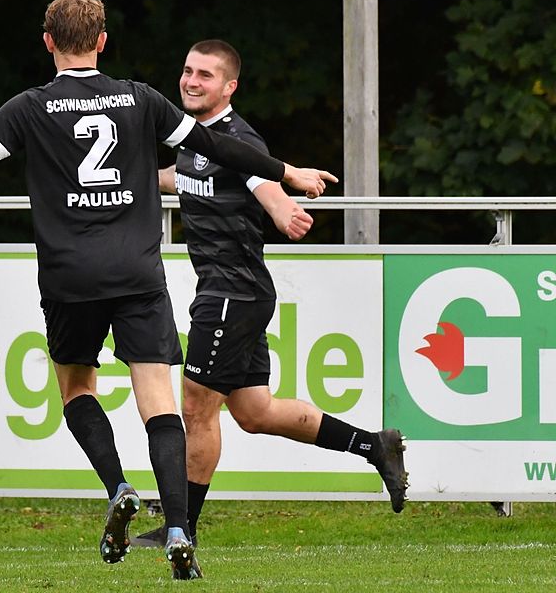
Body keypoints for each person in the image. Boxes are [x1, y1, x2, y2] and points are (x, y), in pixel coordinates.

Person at [0, 0, 336, 580]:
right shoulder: (140, 99)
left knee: (77, 388)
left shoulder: (30, 107)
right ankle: (181, 530)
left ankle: (117, 488)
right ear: (103, 41)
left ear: (48, 42)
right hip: (137, 274)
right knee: (159, 403)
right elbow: (214, 145)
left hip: (69, 276)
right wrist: (288, 171)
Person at [132, 40, 407, 550]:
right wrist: (132, 183)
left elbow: (265, 183)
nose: (191, 81)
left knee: (196, 410)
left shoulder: (240, 139)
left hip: (232, 294)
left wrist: (284, 212)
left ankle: (180, 529)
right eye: (188, 70)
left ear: (229, 86)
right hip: (236, 293)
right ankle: (375, 446)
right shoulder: (193, 138)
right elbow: (183, 177)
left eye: (206, 75)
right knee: (255, 413)